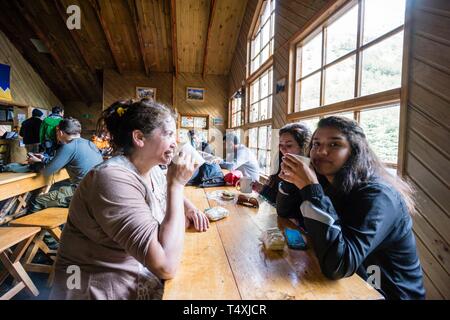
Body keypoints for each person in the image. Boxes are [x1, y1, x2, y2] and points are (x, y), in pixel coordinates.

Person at [50, 99, 209, 300]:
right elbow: (166, 266)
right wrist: (176, 185)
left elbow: (163, 192)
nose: (174, 142)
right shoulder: (111, 178)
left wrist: (190, 207)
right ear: (139, 137)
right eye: (168, 134)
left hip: (135, 276)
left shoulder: (152, 170)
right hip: (99, 289)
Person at [279, 116, 425, 299]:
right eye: (316, 144)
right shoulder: (330, 184)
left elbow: (338, 265)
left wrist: (311, 190)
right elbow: (284, 212)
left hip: (385, 292)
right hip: (350, 283)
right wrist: (290, 179)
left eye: (334, 145)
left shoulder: (378, 195)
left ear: (354, 151)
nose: (321, 151)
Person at [27, 117, 103, 213]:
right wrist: (43, 158)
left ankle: (38, 227)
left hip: (83, 192)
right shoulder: (90, 143)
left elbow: (49, 170)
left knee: (36, 201)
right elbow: (68, 160)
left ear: (61, 132)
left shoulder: (68, 147)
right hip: (99, 190)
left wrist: (36, 161)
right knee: (57, 193)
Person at [253, 123, 311, 208]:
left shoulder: (309, 171)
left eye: (289, 145)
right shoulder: (281, 161)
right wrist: (261, 188)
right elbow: (276, 198)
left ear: (303, 147)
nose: (283, 149)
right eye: (281, 145)